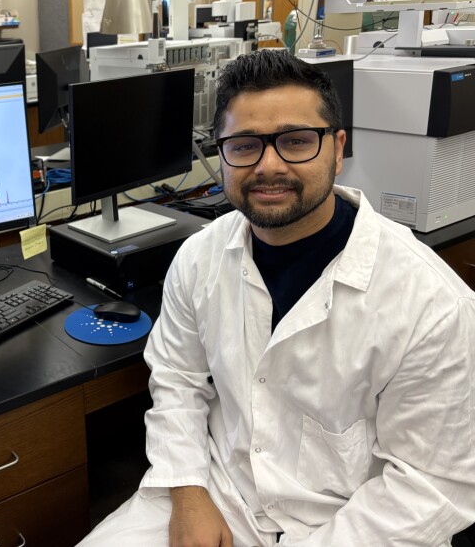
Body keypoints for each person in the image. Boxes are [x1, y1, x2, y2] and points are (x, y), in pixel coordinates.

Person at [79, 50, 475, 546]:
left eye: (295, 141)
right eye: (244, 146)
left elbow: (430, 485)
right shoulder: (199, 257)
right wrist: (188, 494)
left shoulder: (431, 303)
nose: (269, 165)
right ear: (221, 153)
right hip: (218, 492)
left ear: (337, 148)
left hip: (349, 524)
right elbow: (178, 382)